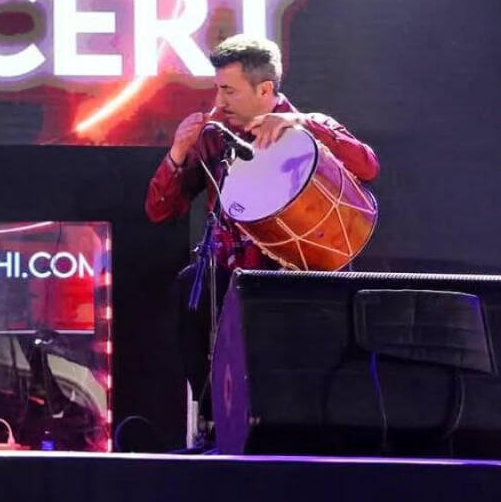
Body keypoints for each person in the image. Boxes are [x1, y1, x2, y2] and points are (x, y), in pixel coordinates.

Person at [145, 35, 379, 417]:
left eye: (229, 91)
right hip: (233, 275)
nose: (219, 101)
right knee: (191, 286)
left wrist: (300, 123)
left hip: (301, 274)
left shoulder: (309, 127)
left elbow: (368, 166)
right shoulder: (214, 137)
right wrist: (176, 154)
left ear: (265, 89)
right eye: (218, 89)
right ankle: (212, 416)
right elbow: (160, 211)